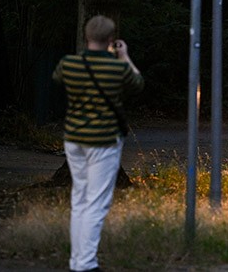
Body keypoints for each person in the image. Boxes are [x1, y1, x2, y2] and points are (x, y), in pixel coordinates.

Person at [52, 15, 143, 272]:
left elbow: (57, 79)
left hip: (74, 139)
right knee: (96, 203)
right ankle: (86, 264)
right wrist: (124, 56)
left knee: (80, 200)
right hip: (104, 141)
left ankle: (77, 261)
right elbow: (138, 83)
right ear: (111, 39)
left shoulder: (69, 64)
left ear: (86, 36)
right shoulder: (117, 68)